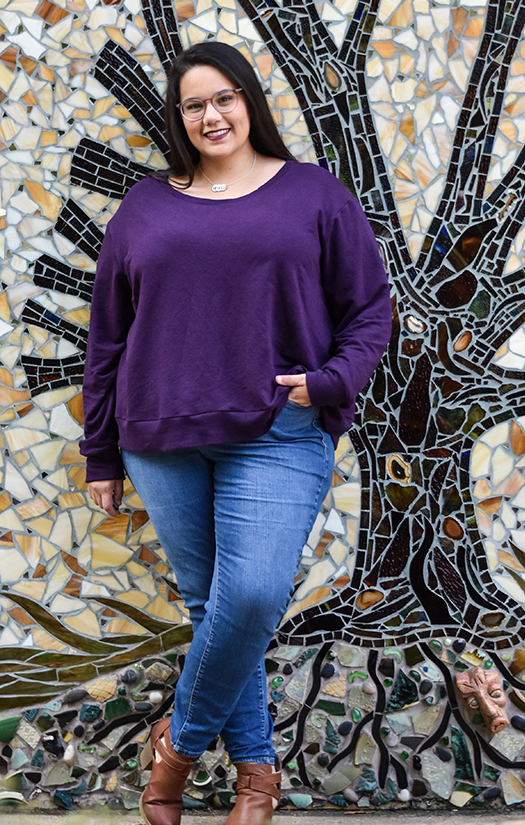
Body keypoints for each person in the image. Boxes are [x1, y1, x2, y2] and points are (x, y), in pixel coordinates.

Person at [80, 41, 392, 825]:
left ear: (249, 101)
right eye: (194, 105)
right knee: (214, 607)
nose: (211, 115)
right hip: (161, 434)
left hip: (278, 431)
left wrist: (327, 383)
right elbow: (108, 336)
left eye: (224, 98)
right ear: (177, 117)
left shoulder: (314, 195)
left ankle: (175, 752)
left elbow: (371, 309)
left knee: (250, 594)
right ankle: (257, 774)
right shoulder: (145, 207)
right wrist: (101, 449)